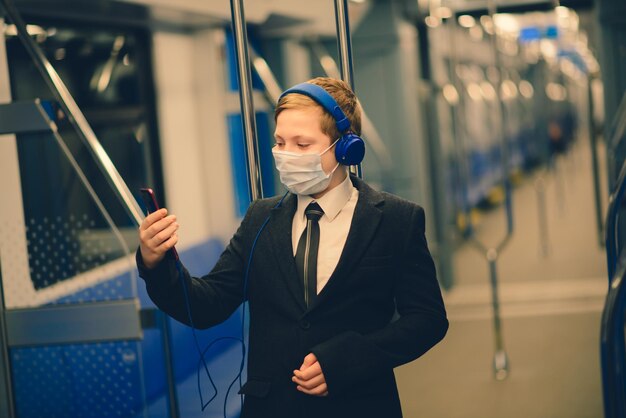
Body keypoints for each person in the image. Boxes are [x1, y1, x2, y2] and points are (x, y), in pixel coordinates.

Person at [137, 77, 448, 418]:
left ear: (347, 147)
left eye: (302, 145)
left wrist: (351, 358)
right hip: (272, 407)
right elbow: (205, 305)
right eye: (280, 142)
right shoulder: (260, 219)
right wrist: (157, 264)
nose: (286, 155)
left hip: (359, 404)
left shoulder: (396, 220)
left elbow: (427, 320)